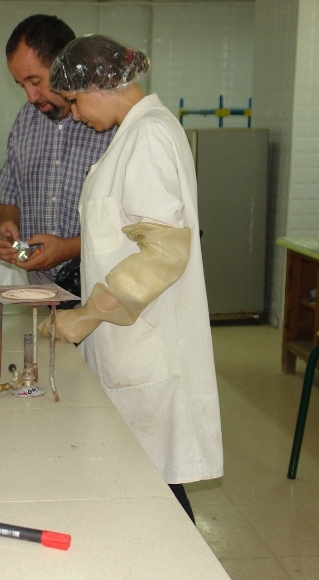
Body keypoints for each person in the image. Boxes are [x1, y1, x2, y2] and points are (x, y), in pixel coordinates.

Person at [42, 35, 223, 522]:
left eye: (75, 102)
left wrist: (83, 317)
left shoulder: (148, 137)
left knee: (155, 488)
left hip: (146, 344)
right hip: (128, 340)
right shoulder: (135, 134)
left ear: (102, 84)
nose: (75, 115)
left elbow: (164, 253)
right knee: (143, 480)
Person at [0, 15, 115, 284]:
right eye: (21, 85)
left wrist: (69, 248)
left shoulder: (109, 123)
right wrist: (6, 226)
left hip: (100, 285)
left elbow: (132, 225)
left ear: (65, 66)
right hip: (39, 284)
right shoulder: (25, 120)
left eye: (35, 81)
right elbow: (9, 192)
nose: (30, 97)